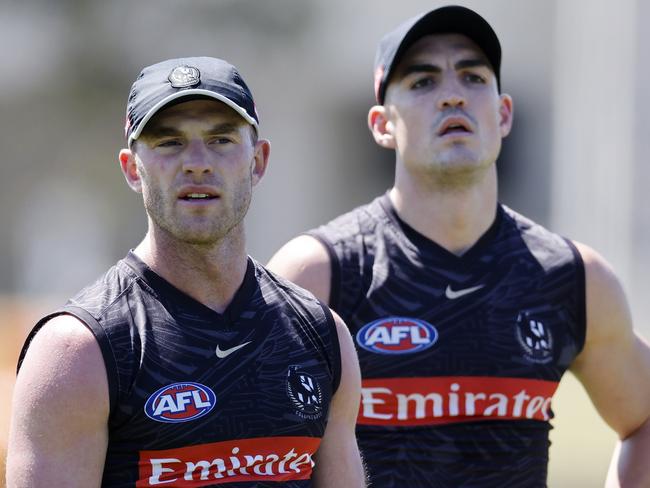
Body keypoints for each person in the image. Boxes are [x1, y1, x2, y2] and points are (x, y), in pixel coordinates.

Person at [267, 6, 650, 487]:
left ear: (503, 113)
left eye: (472, 77)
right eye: (423, 83)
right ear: (382, 125)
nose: (452, 96)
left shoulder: (572, 278)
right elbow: (253, 450)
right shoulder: (318, 274)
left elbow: (643, 419)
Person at [6, 56, 366, 488]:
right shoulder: (79, 353)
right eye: (169, 142)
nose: (197, 162)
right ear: (131, 169)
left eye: (220, 139)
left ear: (258, 162)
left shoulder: (322, 335)